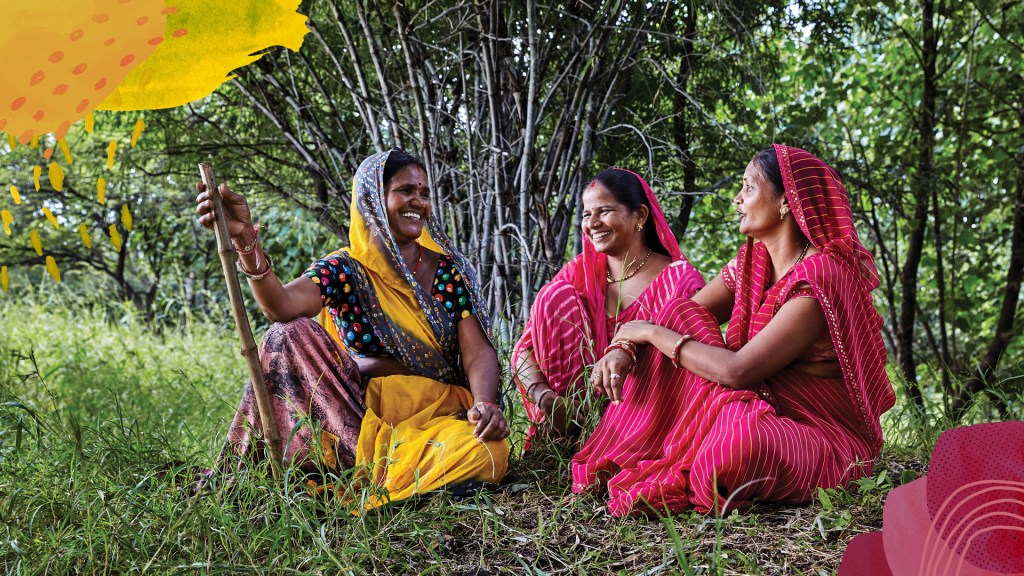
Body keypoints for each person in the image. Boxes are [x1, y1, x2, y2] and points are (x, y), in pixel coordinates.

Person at [572, 145, 896, 516]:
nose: (737, 199)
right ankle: (639, 444)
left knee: (737, 446)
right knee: (680, 311)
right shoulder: (752, 261)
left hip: (815, 432)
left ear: (786, 202)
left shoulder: (820, 277)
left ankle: (701, 445)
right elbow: (681, 313)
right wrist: (625, 342)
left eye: (749, 187)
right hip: (756, 405)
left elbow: (738, 371)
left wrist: (645, 331)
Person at [194, 149, 509, 508]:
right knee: (287, 334)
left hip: (434, 419)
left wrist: (485, 405)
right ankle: (363, 473)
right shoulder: (345, 269)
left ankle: (364, 482)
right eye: (406, 190)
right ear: (373, 198)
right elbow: (279, 306)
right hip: (357, 422)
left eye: (424, 194)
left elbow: (478, 352)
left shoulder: (447, 272)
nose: (418, 203)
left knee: (487, 449)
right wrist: (244, 242)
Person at [512, 168, 704, 448]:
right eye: (587, 214)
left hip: (644, 415)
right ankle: (568, 438)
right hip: (576, 417)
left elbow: (690, 364)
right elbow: (522, 352)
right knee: (554, 296)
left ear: (640, 215)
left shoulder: (677, 279)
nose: (592, 223)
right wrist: (547, 400)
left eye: (604, 211)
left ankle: (616, 438)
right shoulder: (579, 273)